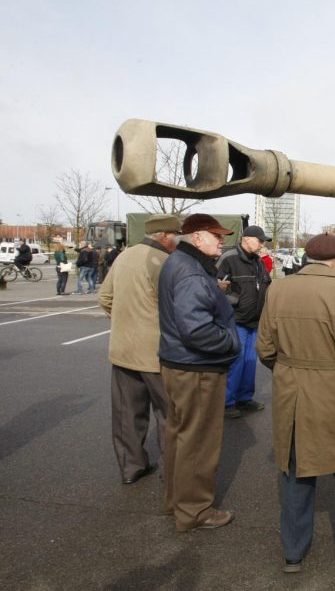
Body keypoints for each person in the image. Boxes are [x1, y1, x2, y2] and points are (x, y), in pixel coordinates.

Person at [256, 233, 335, 574]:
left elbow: (265, 348)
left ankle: (293, 551)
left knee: (295, 469)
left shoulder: (279, 289)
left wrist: (287, 371)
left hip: (292, 391)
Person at [158, 214, 240, 532]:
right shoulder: (190, 271)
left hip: (180, 364)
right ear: (196, 238)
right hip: (196, 368)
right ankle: (195, 510)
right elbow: (197, 330)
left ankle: (177, 500)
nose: (222, 241)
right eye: (216, 236)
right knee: (199, 442)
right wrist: (231, 342)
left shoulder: (181, 263)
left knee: (180, 436)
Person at [98, 214, 181, 485]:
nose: (180, 239)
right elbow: (176, 308)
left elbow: (105, 298)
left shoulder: (124, 256)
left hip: (123, 350)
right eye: (177, 234)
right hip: (157, 353)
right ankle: (172, 474)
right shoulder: (165, 262)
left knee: (126, 414)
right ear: (165, 235)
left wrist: (125, 324)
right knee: (170, 415)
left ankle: (131, 468)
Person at [216, 224, 272, 420]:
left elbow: (266, 285)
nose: (262, 245)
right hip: (235, 320)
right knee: (236, 362)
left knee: (249, 363)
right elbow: (214, 286)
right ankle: (227, 402)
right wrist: (236, 301)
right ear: (247, 239)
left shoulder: (258, 262)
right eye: (260, 240)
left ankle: (245, 398)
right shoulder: (228, 258)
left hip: (254, 321)